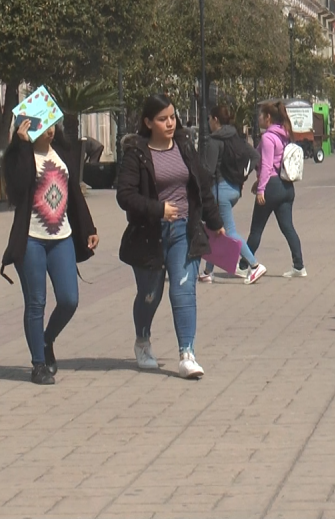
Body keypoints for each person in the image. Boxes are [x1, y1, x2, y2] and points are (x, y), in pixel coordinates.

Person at [116, 94, 224, 379]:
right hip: (149, 234)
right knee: (150, 295)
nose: (170, 123)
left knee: (183, 290)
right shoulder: (136, 153)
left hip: (184, 230)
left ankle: (187, 354)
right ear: (148, 122)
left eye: (172, 117)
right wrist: (158, 209)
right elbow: (125, 196)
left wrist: (215, 222)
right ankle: (142, 340)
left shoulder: (184, 147)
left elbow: (201, 185)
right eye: (163, 119)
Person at [1, 119, 100, 385]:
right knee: (36, 303)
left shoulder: (62, 154)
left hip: (61, 237)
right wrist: (21, 147)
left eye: (51, 123)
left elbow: (75, 194)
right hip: (31, 238)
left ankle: (46, 339)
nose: (49, 130)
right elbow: (17, 188)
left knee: (69, 299)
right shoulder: (19, 156)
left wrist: (89, 227)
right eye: (41, 125)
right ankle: (38, 364)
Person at [198, 105, 264, 284]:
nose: (208, 122)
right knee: (215, 230)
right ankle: (207, 271)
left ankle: (255, 265)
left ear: (216, 120)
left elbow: (208, 170)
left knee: (230, 232)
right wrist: (243, 175)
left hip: (220, 192)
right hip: (235, 189)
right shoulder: (236, 137)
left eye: (209, 119)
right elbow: (255, 157)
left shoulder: (214, 141)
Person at [240, 101, 306, 279]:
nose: (258, 118)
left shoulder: (268, 138)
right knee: (287, 227)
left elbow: (268, 165)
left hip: (272, 186)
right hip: (286, 186)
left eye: (260, 115)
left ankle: (243, 264)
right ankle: (299, 266)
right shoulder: (284, 134)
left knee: (256, 230)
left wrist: (261, 189)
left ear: (268, 117)